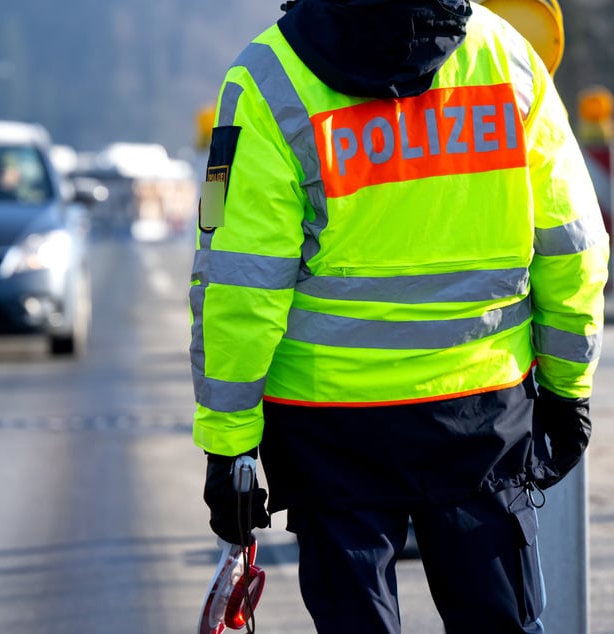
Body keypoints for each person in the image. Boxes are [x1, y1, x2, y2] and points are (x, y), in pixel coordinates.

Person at [190, 1, 610, 632]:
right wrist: (566, 388)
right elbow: (573, 243)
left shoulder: (264, 79)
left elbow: (237, 285)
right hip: (481, 412)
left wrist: (230, 447)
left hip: (329, 427)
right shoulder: (508, 60)